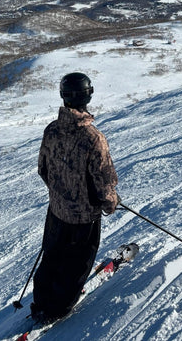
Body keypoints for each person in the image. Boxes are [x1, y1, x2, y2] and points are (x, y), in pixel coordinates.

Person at [31, 72, 119, 323]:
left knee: (52, 255)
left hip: (57, 210)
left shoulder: (51, 130)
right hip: (84, 218)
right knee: (76, 264)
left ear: (63, 96)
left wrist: (60, 193)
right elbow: (104, 183)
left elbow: (43, 169)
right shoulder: (94, 138)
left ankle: (41, 300)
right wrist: (110, 202)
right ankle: (58, 308)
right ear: (88, 96)